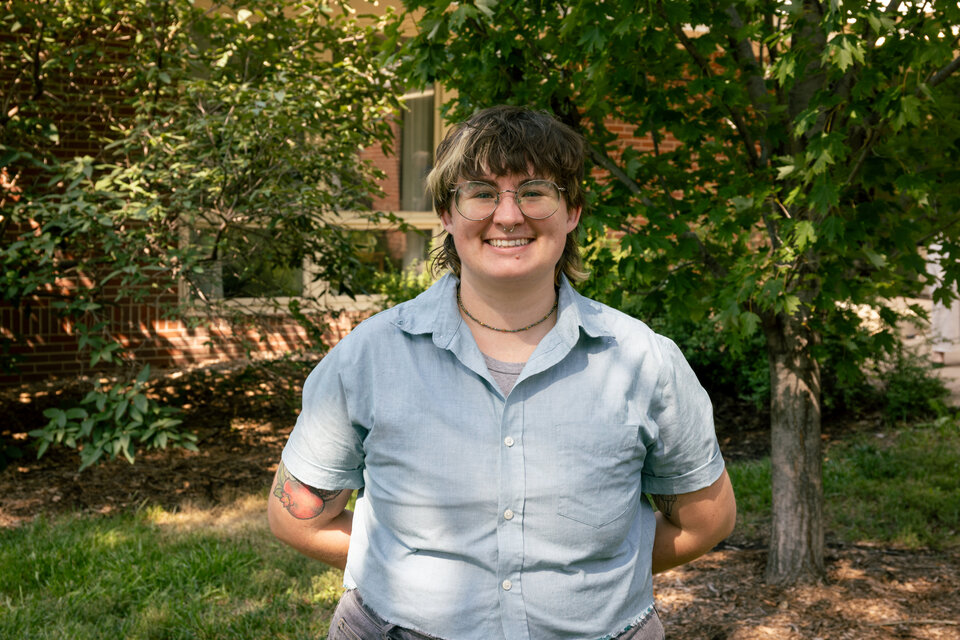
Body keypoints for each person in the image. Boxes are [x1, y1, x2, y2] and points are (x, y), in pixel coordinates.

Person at [268, 105, 737, 640]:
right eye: (481, 193)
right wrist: (414, 570)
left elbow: (706, 521)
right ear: (448, 213)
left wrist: (591, 578)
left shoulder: (644, 361)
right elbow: (296, 517)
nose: (509, 215)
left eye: (535, 191)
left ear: (573, 210)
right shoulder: (368, 359)